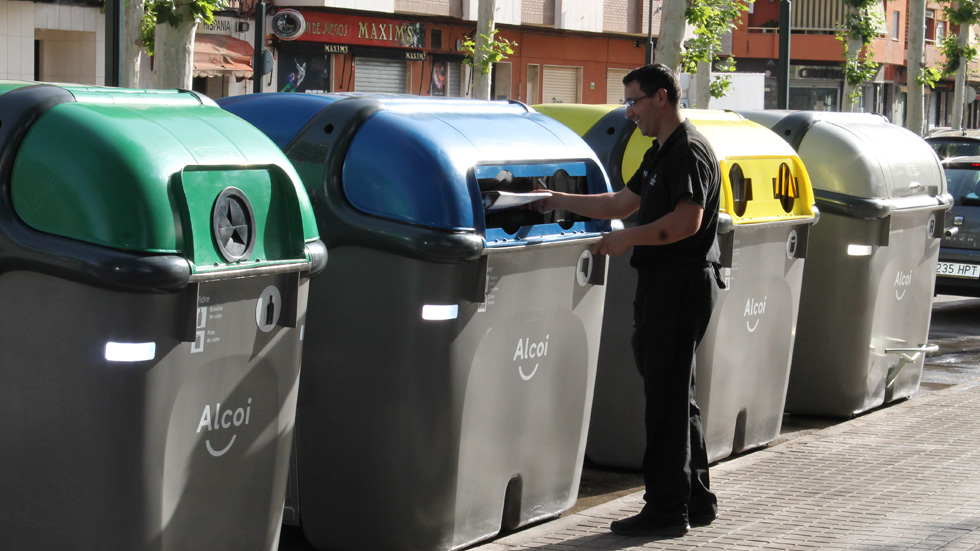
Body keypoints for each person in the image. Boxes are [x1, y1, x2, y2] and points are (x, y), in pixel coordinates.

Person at [535, 63, 722, 538]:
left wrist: (627, 240)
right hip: (665, 286)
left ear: (661, 97)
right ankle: (696, 499)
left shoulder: (688, 151)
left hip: (679, 285)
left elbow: (687, 222)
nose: (629, 112)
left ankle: (665, 509)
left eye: (634, 101)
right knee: (679, 397)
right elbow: (620, 202)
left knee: (665, 400)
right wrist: (556, 199)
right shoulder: (660, 152)